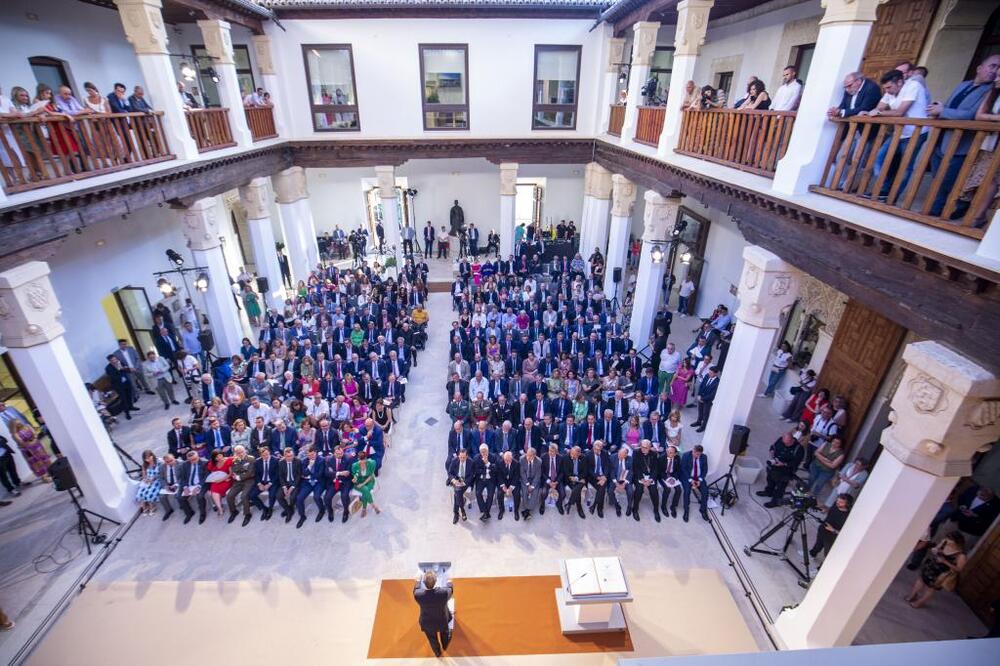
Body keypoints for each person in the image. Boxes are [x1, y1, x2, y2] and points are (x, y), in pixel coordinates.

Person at [926, 55, 1000, 216]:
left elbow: (972, 115)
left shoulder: (990, 91)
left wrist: (943, 111)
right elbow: (952, 105)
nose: (995, 71)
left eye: (998, 68)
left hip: (962, 143)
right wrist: (939, 108)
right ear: (979, 68)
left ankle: (943, 210)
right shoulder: (963, 85)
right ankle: (939, 207)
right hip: (942, 138)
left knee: (949, 179)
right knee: (937, 176)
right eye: (992, 66)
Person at [863, 69, 930, 200]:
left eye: (889, 87)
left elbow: (900, 112)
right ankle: (883, 190)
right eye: (885, 88)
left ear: (900, 82)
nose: (887, 90)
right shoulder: (890, 92)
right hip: (899, 132)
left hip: (916, 133)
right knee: (881, 159)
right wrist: (871, 112)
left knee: (905, 166)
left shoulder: (913, 86)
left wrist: (879, 113)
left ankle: (892, 196)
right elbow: (879, 107)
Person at [907, 531, 967, 608]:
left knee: (931, 588)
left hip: (942, 573)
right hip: (931, 565)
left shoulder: (961, 555)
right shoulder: (944, 543)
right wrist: (935, 550)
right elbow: (936, 549)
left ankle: (920, 602)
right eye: (947, 537)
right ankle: (912, 596)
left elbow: (959, 569)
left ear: (956, 541)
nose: (947, 540)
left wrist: (945, 561)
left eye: (949, 539)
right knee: (921, 579)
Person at [413, 570, 453, 658]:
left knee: (432, 639)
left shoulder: (418, 595)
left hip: (427, 623)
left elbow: (416, 588)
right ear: (436, 581)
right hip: (442, 621)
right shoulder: (443, 593)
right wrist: (449, 580)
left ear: (424, 582)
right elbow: (450, 589)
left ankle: (437, 653)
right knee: (445, 634)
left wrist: (418, 580)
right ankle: (445, 646)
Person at [809, 494, 853, 560]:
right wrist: (826, 510)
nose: (837, 503)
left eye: (841, 502)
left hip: (832, 536)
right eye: (837, 501)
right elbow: (831, 510)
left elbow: (845, 533)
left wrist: (833, 530)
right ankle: (812, 554)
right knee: (818, 544)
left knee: (827, 554)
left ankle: (820, 568)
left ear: (847, 504)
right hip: (823, 529)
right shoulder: (836, 504)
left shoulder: (848, 516)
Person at [226, 445, 256, 526]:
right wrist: (241, 473)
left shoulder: (251, 458)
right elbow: (234, 470)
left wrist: (240, 475)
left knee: (244, 496)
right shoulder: (235, 460)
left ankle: (247, 514)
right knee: (229, 495)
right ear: (235, 453)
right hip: (238, 482)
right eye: (238, 453)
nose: (240, 454)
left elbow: (250, 472)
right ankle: (233, 511)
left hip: (249, 481)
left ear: (245, 451)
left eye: (242, 452)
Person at [681, 444, 710, 522]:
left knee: (705, 492)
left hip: (698, 477)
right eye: (695, 453)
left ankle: (703, 510)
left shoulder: (704, 457)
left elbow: (705, 470)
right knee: (687, 492)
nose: (696, 455)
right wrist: (691, 480)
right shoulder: (686, 455)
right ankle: (686, 511)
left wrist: (700, 480)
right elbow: (683, 469)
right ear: (693, 450)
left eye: (698, 454)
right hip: (687, 477)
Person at [351, 449, 379, 516]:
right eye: (361, 461)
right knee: (366, 490)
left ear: (366, 459)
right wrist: (354, 479)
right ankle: (374, 506)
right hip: (359, 482)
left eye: (364, 461)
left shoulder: (372, 463)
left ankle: (364, 509)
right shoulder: (354, 465)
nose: (363, 463)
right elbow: (355, 475)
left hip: (369, 481)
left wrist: (362, 484)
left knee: (365, 491)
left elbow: (371, 475)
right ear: (358, 459)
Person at [690, 366, 718, 433]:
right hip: (701, 397)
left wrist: (702, 398)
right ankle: (699, 421)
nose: (709, 373)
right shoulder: (706, 376)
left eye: (711, 373)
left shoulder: (717, 382)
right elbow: (702, 385)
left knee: (706, 414)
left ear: (715, 373)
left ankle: (703, 426)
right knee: (700, 411)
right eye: (709, 372)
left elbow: (713, 394)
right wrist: (699, 395)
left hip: (708, 401)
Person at [136, 450, 161, 516]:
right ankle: (145, 508)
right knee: (141, 492)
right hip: (148, 480)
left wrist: (153, 479)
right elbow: (144, 474)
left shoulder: (158, 461)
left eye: (149, 458)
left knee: (150, 492)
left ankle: (152, 507)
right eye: (146, 459)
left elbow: (161, 472)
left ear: (152, 455)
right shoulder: (145, 464)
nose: (148, 460)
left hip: (156, 480)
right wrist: (145, 479)